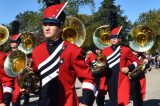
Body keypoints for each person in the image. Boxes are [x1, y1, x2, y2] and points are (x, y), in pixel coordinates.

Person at [31, 1, 96, 106]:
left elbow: (88, 78)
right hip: (44, 102)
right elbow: (36, 76)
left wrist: (85, 102)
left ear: (60, 27)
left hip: (67, 101)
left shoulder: (72, 50)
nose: (47, 28)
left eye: (51, 24)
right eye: (45, 24)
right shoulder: (36, 51)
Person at [101, 26, 140, 106]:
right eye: (111, 37)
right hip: (110, 78)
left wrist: (128, 68)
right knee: (113, 100)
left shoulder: (126, 49)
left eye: (115, 37)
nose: (113, 39)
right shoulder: (105, 50)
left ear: (120, 39)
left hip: (122, 78)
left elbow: (137, 61)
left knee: (122, 100)